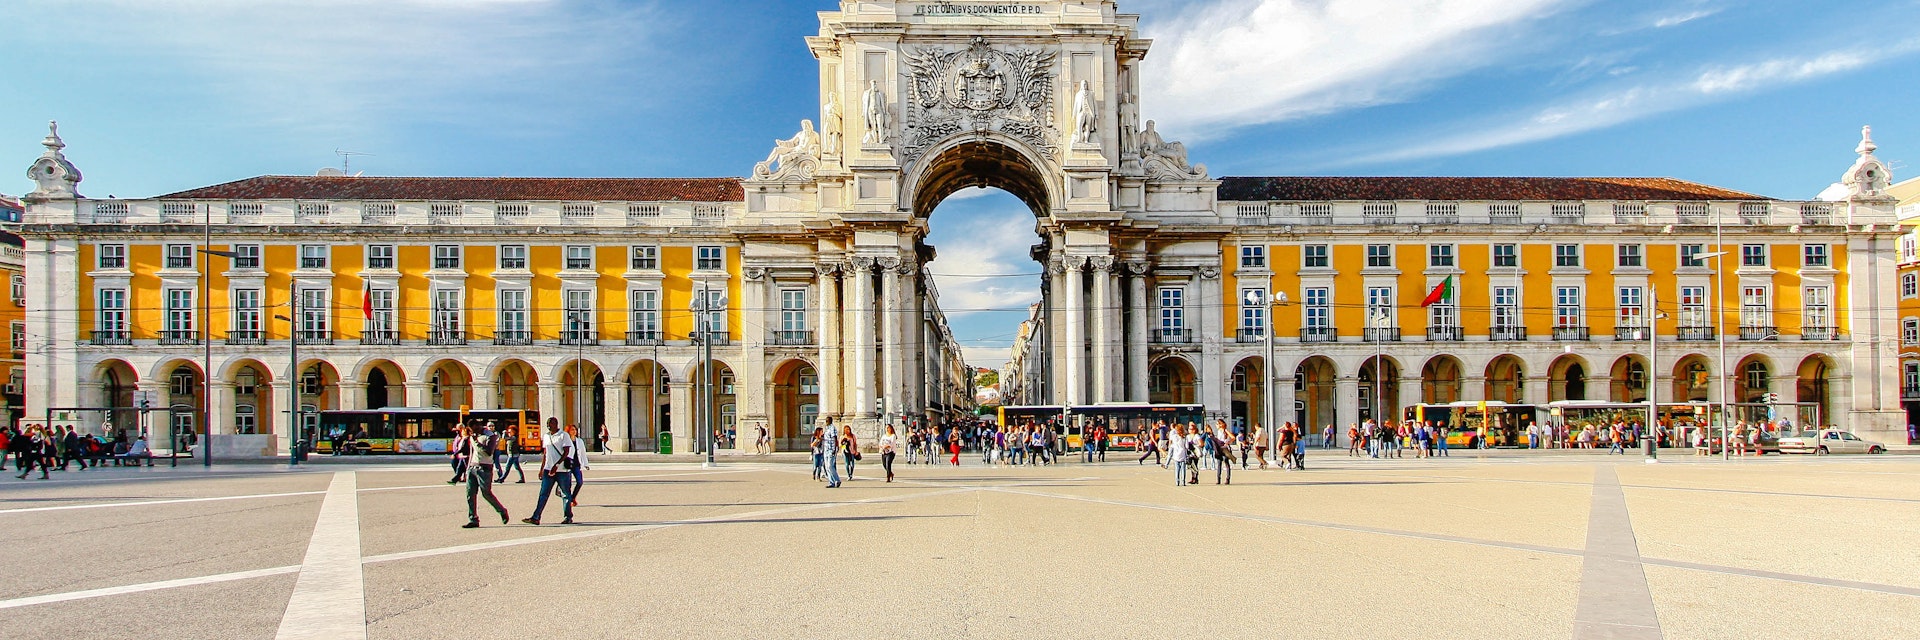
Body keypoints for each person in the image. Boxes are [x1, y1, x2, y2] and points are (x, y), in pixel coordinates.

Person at [522, 419, 575, 526]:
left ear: (556, 424)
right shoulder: (546, 436)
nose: (548, 426)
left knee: (565, 494)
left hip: (562, 471)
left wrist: (557, 465)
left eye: (550, 424)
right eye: (547, 424)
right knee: (543, 494)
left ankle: (568, 517)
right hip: (548, 469)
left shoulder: (563, 435)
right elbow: (545, 453)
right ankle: (536, 517)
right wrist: (542, 469)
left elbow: (566, 452)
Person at [461, 424, 509, 528]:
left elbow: (488, 452)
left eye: (472, 430)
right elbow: (472, 452)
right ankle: (473, 519)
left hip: (485, 468)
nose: (472, 432)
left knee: (486, 493)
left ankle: (502, 511)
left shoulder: (491, 436)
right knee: (470, 494)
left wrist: (477, 441)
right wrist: (468, 468)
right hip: (472, 468)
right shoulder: (473, 436)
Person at [567, 425, 591, 507]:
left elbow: (583, 453)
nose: (574, 431)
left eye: (575, 430)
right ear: (568, 431)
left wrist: (586, 464)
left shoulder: (579, 441)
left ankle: (572, 497)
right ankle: (569, 500)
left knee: (580, 482)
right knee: (568, 484)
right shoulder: (566, 441)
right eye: (572, 430)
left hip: (577, 464)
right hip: (568, 464)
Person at [823, 420, 842, 489]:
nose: (826, 421)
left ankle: (837, 480)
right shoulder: (826, 428)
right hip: (826, 449)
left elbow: (835, 438)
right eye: (826, 420)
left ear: (830, 421)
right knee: (827, 467)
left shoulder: (832, 428)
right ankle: (831, 482)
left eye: (827, 420)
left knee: (830, 466)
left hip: (831, 449)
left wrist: (834, 449)